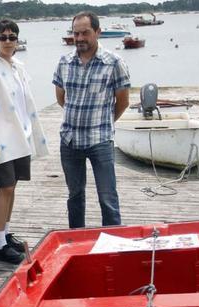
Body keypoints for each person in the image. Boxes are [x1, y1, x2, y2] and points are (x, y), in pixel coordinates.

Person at [0, 19, 49, 264]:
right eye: (3, 37)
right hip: (1, 140)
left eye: (12, 37)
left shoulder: (19, 65)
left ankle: (5, 234)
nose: (8, 41)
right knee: (4, 188)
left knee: (13, 186)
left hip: (20, 136)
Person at [53, 11, 130, 228]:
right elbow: (61, 97)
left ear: (98, 32)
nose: (79, 38)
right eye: (76, 33)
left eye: (85, 33)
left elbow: (122, 102)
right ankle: (76, 241)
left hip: (100, 141)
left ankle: (113, 242)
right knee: (75, 196)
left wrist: (103, 121)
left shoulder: (114, 63)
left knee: (108, 198)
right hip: (69, 141)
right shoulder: (64, 62)